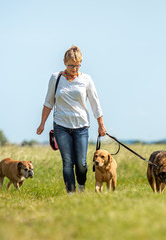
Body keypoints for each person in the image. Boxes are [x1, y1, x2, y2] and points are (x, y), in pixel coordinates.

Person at [37, 46, 107, 194]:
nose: (74, 69)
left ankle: (81, 187)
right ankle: (71, 194)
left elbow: (95, 103)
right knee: (68, 162)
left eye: (77, 65)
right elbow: (49, 102)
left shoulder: (86, 79)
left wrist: (101, 125)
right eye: (71, 65)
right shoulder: (55, 78)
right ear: (64, 62)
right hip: (61, 126)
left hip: (81, 127)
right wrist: (42, 123)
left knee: (81, 163)